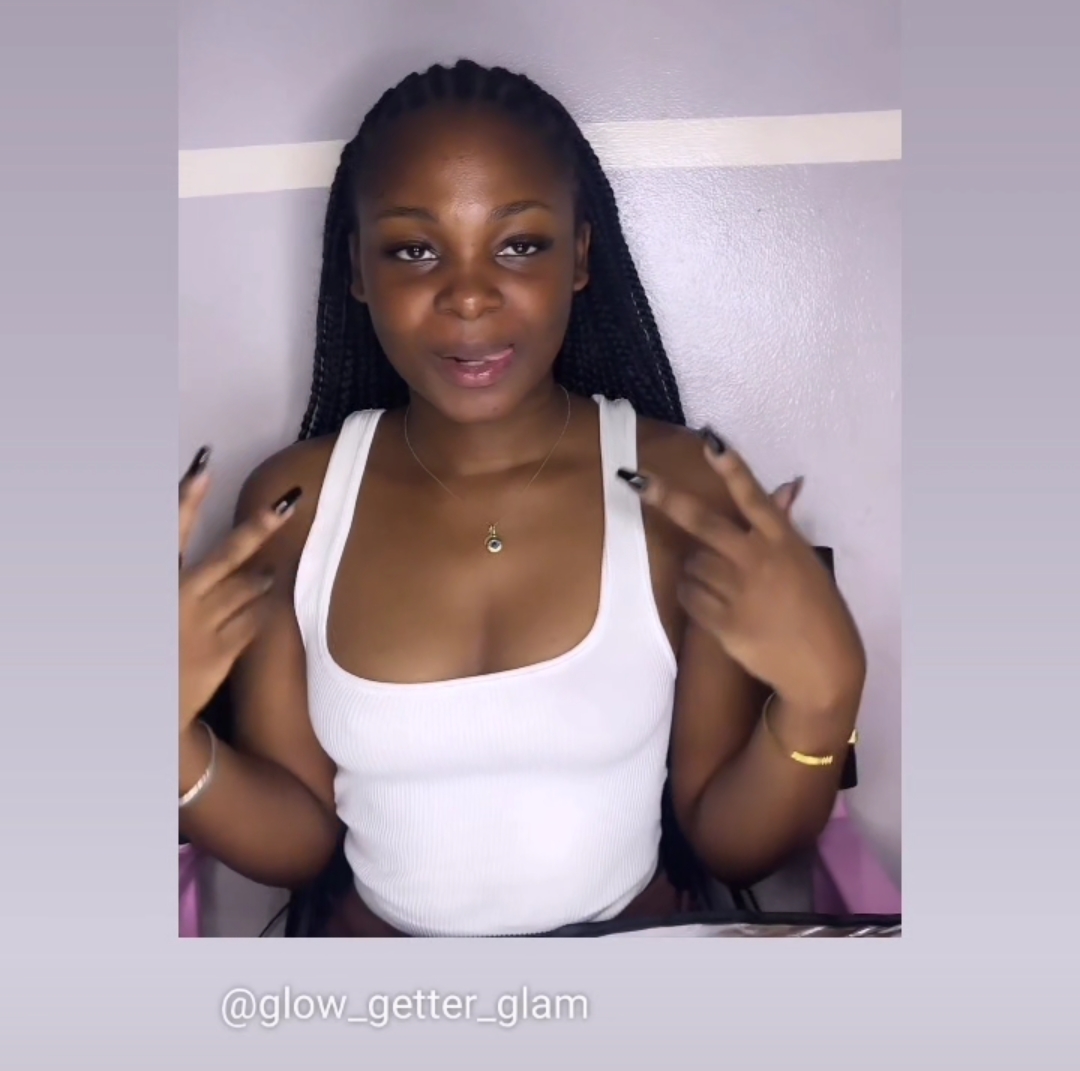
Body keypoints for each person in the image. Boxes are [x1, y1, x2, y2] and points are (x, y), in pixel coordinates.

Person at [179, 59, 866, 936]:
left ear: (579, 256)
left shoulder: (677, 490)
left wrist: (825, 698)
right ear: (357, 269)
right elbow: (299, 842)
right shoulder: (296, 504)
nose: (468, 295)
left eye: (520, 245)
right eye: (415, 250)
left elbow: (731, 846)